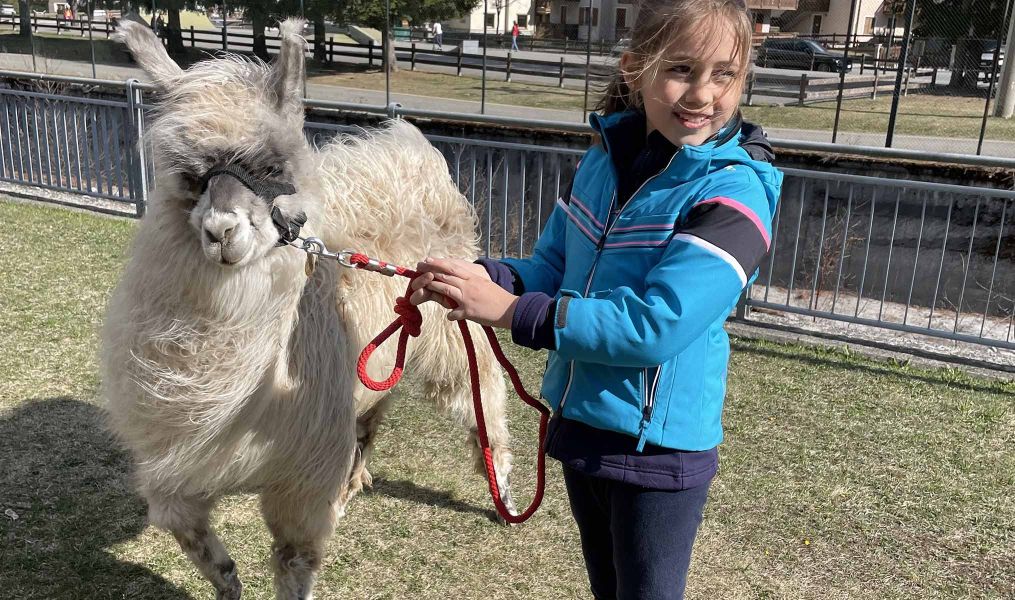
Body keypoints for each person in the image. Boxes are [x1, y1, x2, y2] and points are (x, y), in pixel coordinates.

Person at [409, 0, 782, 598]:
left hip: (657, 450)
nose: (703, 94)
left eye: (724, 75)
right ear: (635, 69)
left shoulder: (736, 193)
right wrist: (482, 278)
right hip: (585, 424)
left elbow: (656, 325)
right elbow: (554, 266)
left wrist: (507, 312)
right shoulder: (604, 162)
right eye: (682, 69)